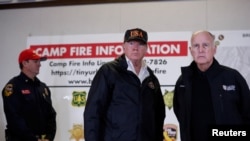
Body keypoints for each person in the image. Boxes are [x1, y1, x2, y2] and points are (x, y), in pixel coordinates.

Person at [84, 28, 166, 141]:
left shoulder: (151, 78)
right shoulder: (109, 71)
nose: (135, 48)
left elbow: (159, 116)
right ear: (124, 46)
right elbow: (93, 112)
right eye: (131, 43)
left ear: (147, 48)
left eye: (140, 44)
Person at [173, 30, 250, 141]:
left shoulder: (232, 77)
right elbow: (180, 114)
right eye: (196, 46)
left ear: (214, 49)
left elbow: (247, 114)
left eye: (205, 45)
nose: (200, 50)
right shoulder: (183, 82)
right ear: (191, 51)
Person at [2, 48, 57, 141]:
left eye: (40, 61)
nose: (40, 64)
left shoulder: (43, 87)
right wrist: (33, 139)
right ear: (24, 63)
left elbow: (51, 114)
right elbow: (14, 119)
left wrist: (49, 137)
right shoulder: (13, 87)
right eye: (36, 61)